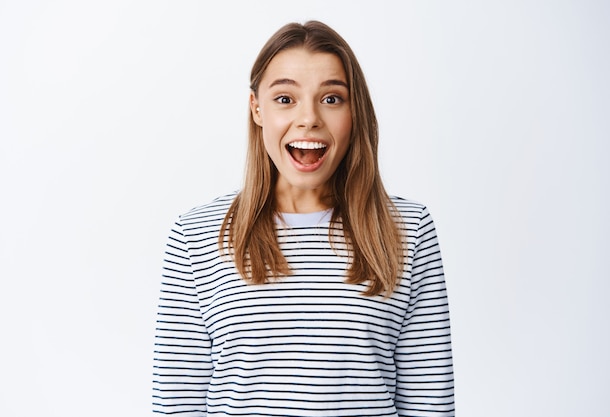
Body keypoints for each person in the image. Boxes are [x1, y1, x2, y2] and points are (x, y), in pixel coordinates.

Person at [153, 21, 454, 416]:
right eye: (285, 99)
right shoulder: (196, 235)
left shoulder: (408, 230)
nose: (309, 118)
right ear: (257, 109)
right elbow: (177, 405)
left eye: (331, 99)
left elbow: (429, 403)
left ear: (354, 111)